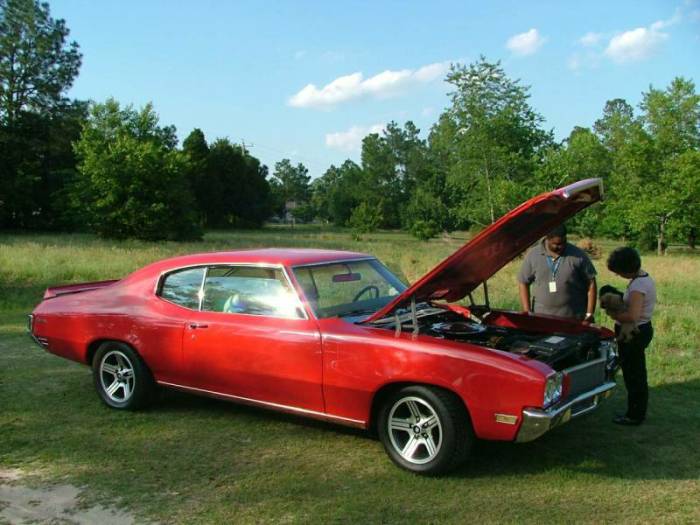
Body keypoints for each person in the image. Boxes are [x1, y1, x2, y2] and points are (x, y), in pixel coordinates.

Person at [605, 247, 656, 426]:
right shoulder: (643, 278)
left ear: (626, 269)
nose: (618, 275)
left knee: (634, 375)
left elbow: (632, 316)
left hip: (634, 333)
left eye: (618, 272)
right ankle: (635, 412)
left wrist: (613, 313)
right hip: (639, 330)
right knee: (635, 372)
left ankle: (634, 415)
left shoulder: (638, 286)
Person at [518, 225, 597, 321]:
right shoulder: (533, 255)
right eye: (556, 244)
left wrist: (589, 314)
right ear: (547, 238)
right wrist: (527, 311)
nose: (561, 247)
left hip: (573, 319)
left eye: (563, 243)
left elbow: (591, 283)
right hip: (541, 318)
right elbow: (523, 282)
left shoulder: (578, 255)